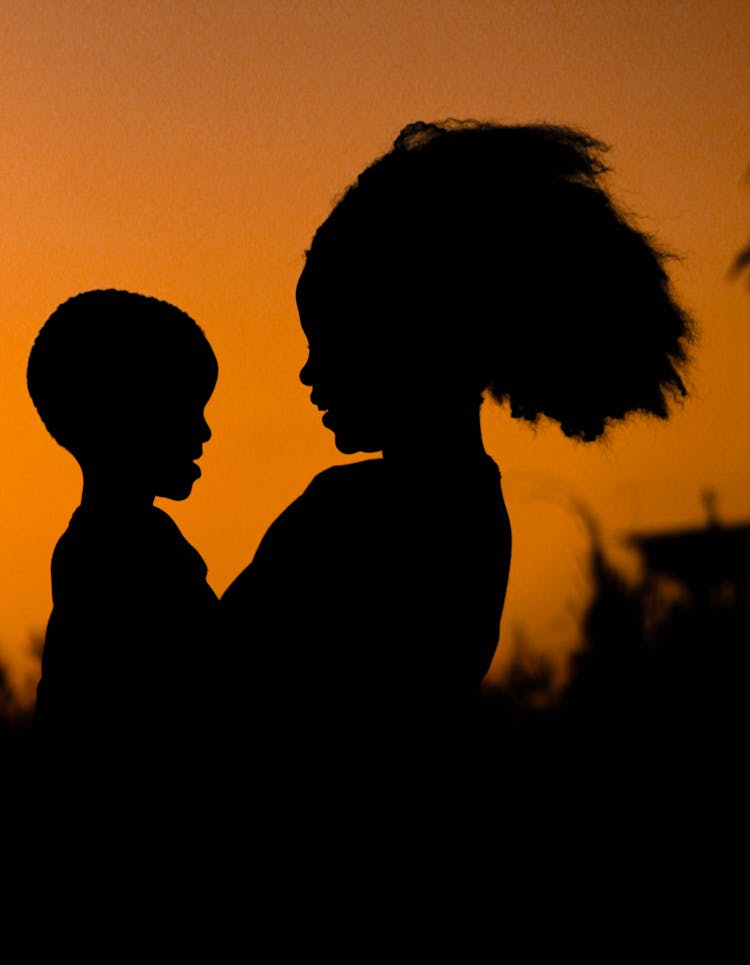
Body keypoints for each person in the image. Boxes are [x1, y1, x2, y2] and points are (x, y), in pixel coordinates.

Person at [221, 119, 693, 758]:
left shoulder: (357, 513)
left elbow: (215, 683)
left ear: (410, 341)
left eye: (330, 342)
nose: (308, 371)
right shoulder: (469, 506)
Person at [27, 288, 221, 755]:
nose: (204, 432)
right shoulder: (131, 549)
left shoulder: (94, 544)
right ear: (126, 415)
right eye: (185, 410)